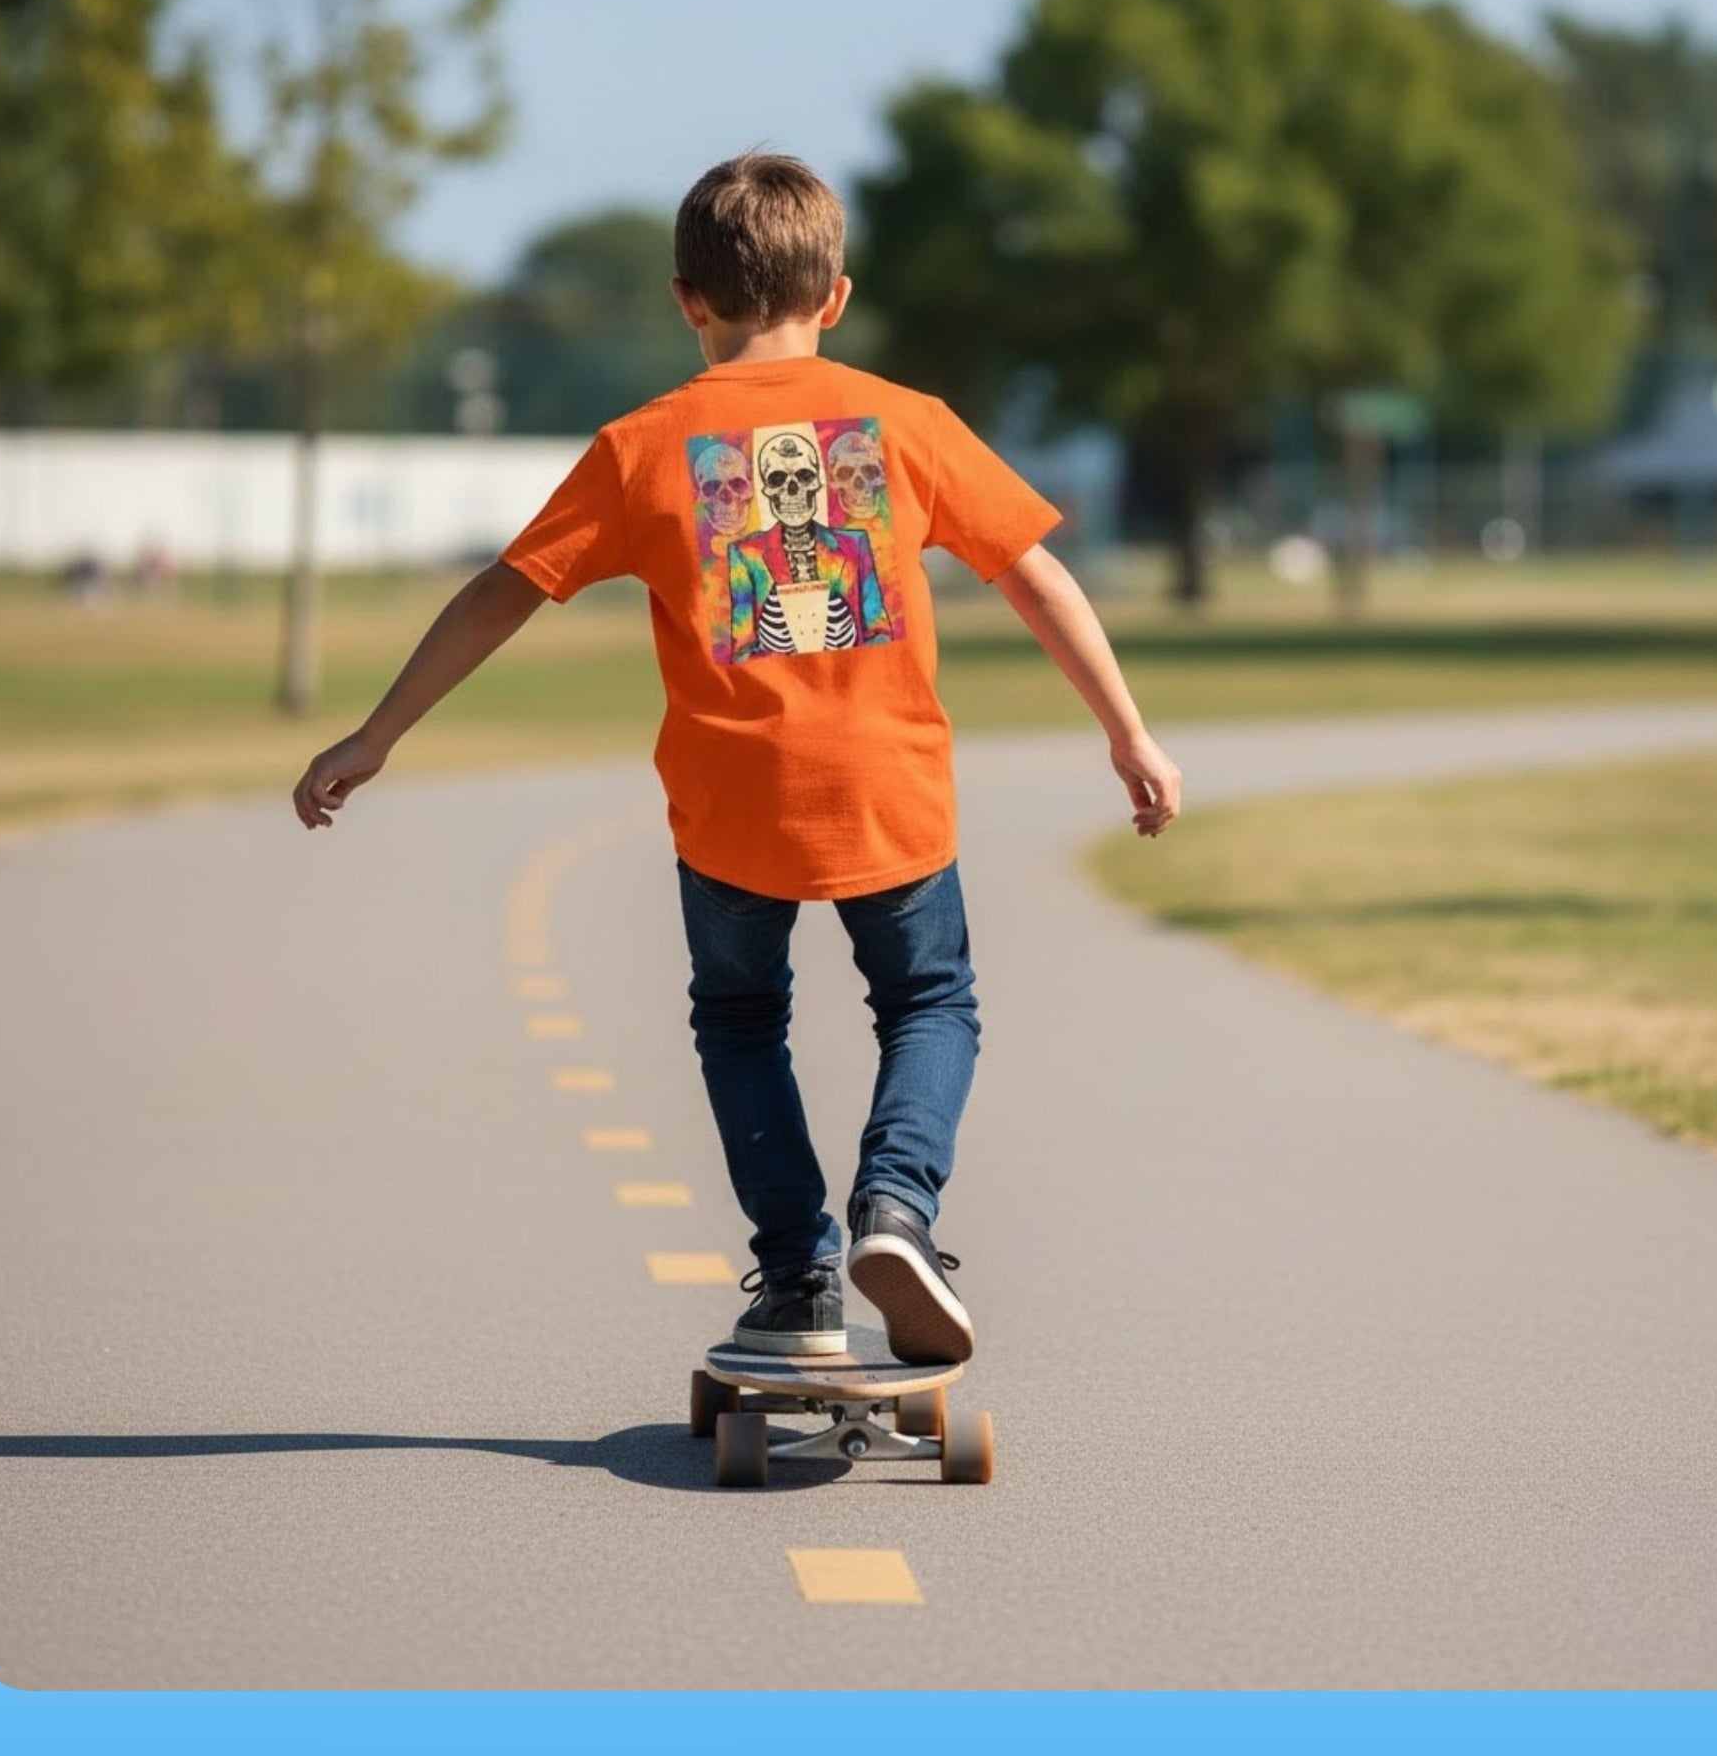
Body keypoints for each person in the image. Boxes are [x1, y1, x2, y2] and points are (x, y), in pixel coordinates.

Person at [292, 152, 1181, 1366]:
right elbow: (1034, 575)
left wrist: (376, 733)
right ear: (837, 297)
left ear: (685, 299)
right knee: (928, 1001)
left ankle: (800, 1275)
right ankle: (897, 1207)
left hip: (730, 806)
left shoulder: (640, 445)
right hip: (886, 791)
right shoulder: (907, 422)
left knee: (741, 1016)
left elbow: (505, 591)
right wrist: (1126, 729)